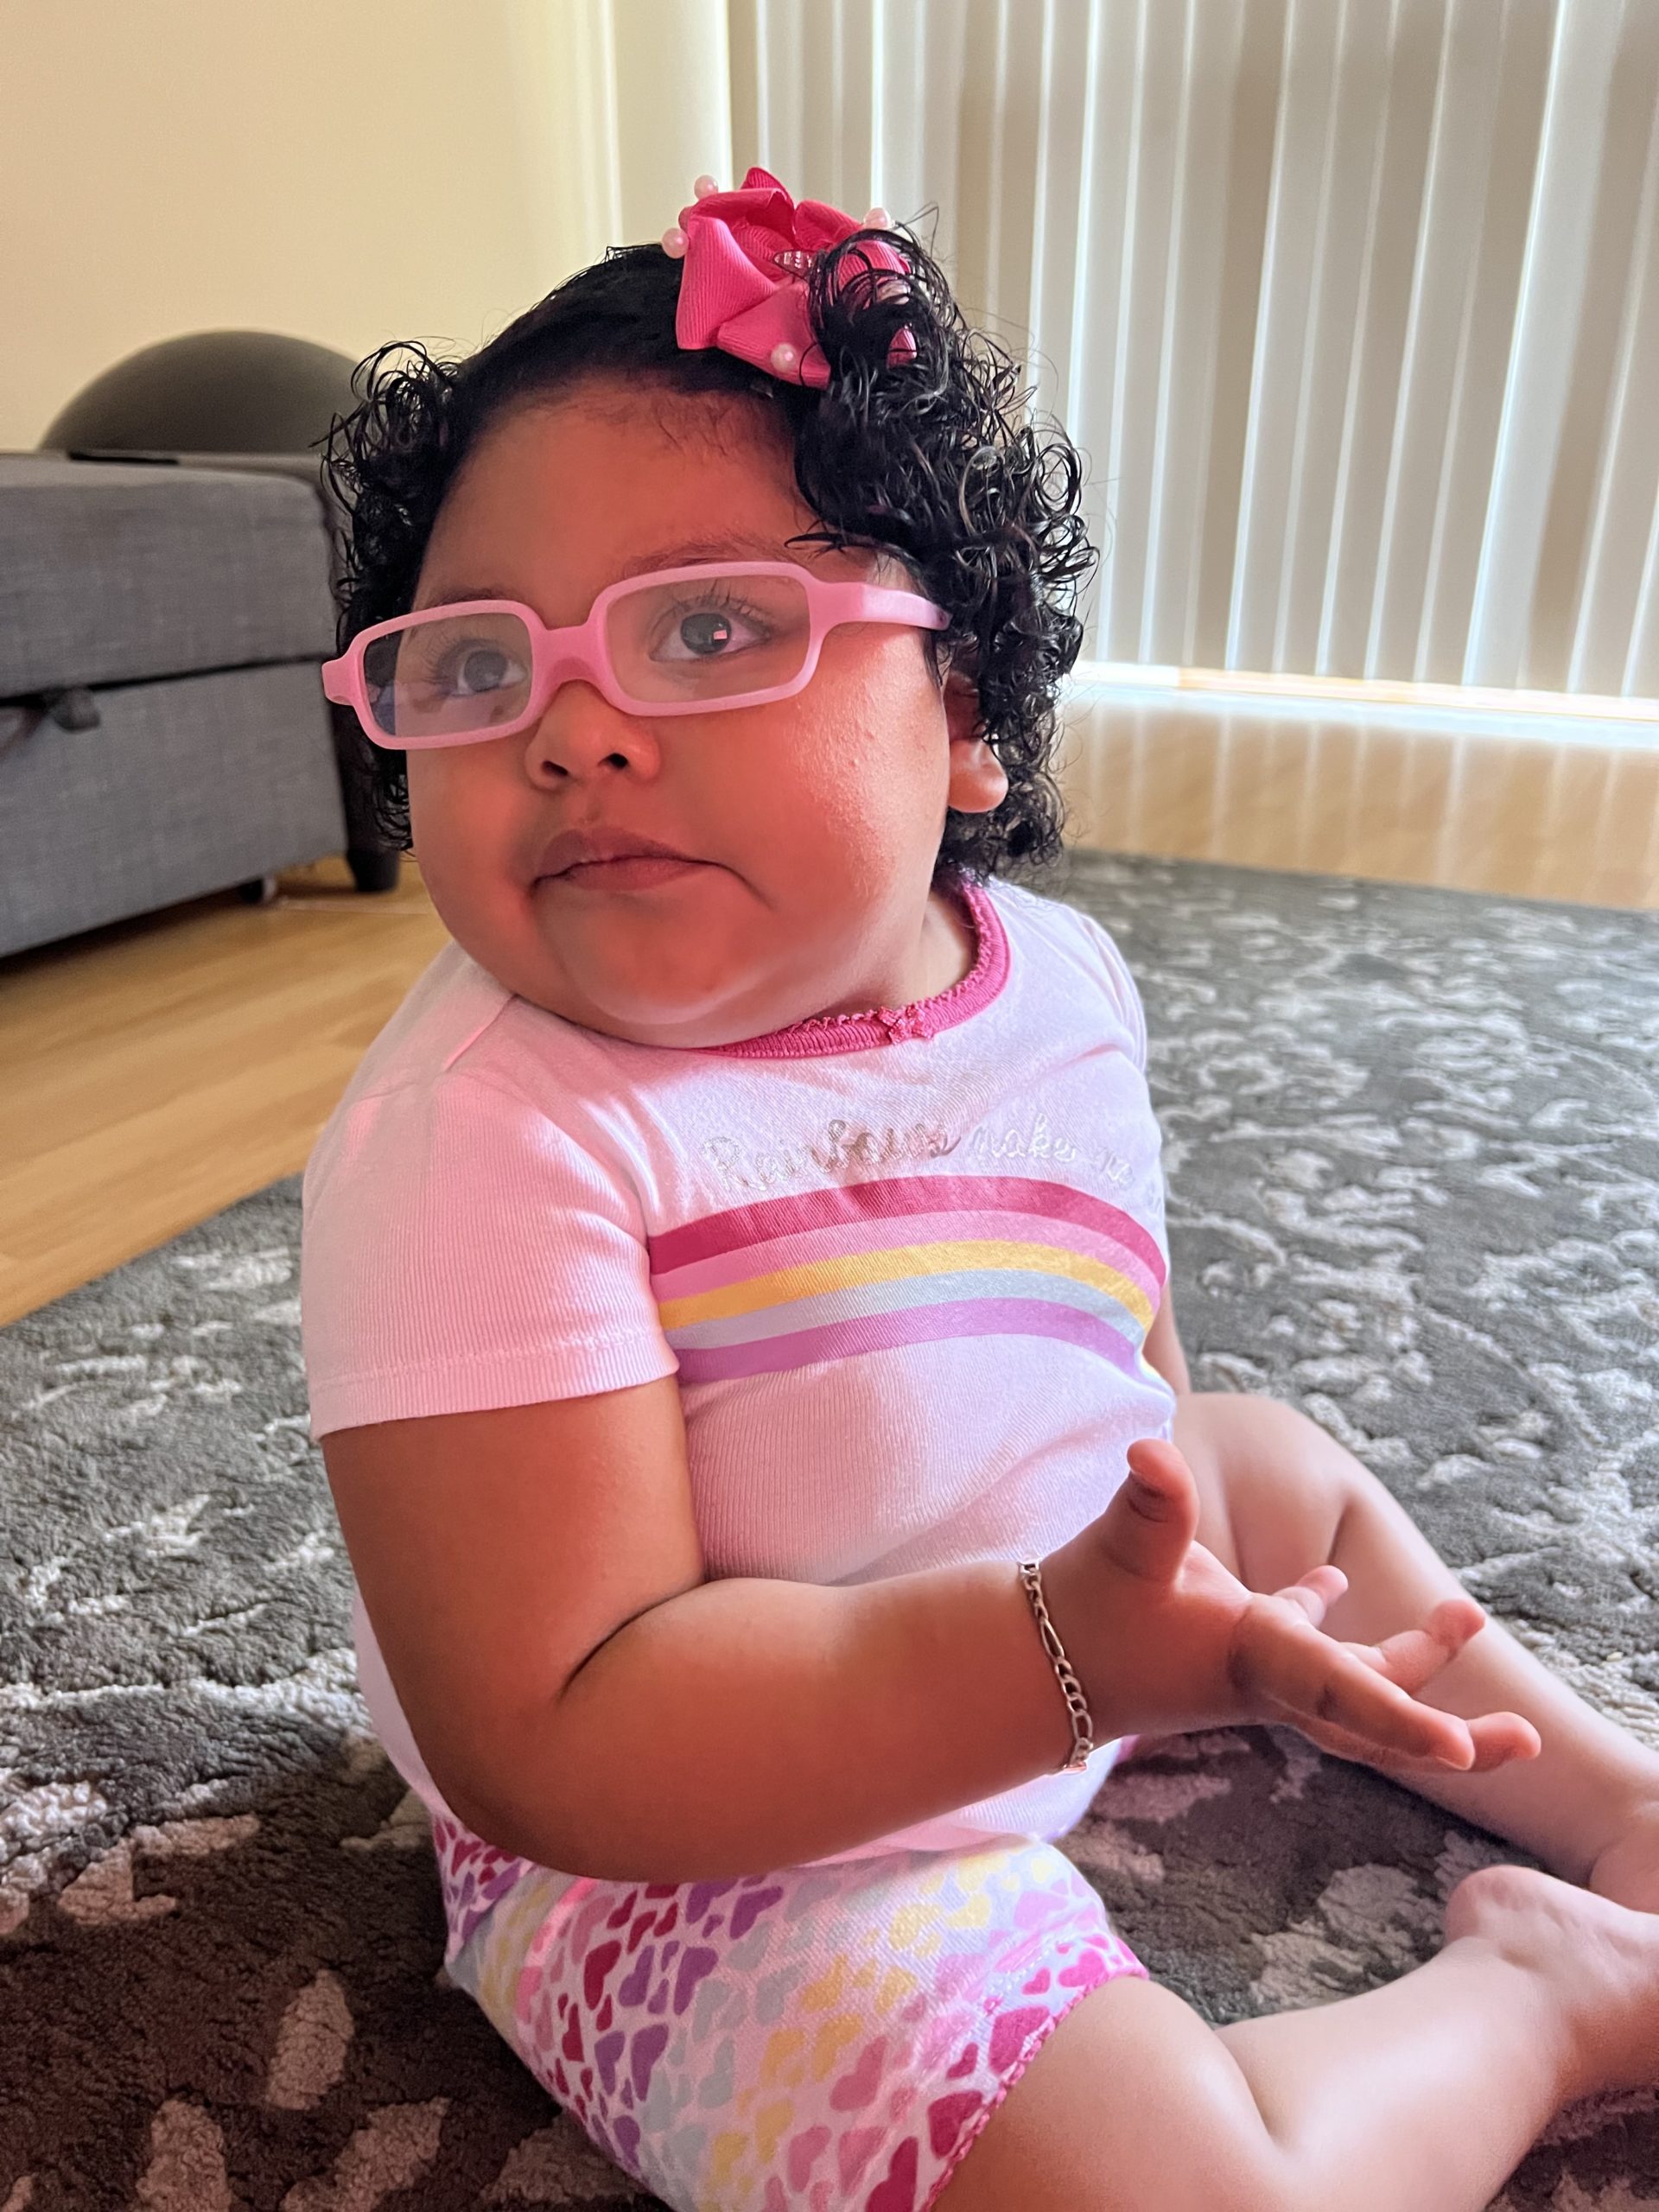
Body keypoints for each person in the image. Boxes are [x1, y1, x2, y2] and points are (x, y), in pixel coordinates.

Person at [302, 169, 1659, 2212]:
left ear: (960, 716)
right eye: (481, 666)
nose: (572, 732)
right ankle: (1547, 1995)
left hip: (1051, 1612)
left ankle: (1615, 1799)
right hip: (702, 1827)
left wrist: (1138, 1562)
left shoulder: (1064, 981)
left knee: (1265, 1464)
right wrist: (1062, 1655)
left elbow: (1117, 1333)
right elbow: (556, 1726)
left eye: (710, 630)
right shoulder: (479, 1137)